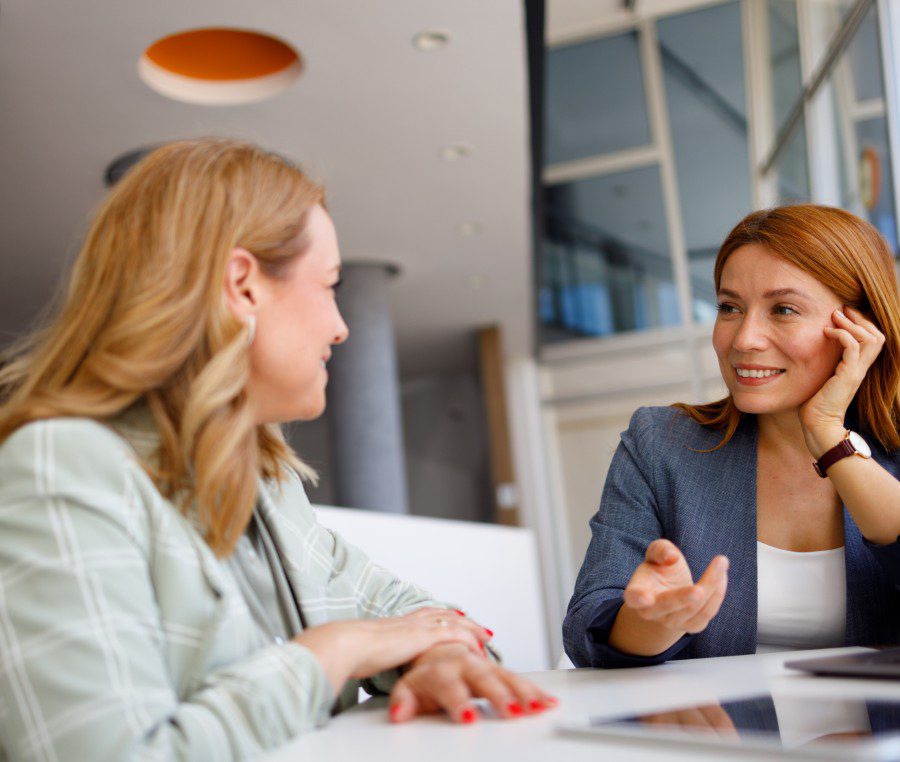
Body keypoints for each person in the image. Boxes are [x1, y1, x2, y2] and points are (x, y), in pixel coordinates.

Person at [0, 138, 555, 761]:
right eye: (329, 285)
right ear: (242, 285)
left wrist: (437, 657)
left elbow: (409, 611)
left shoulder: (266, 478)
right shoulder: (59, 468)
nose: (341, 326)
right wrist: (335, 653)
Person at [564, 204, 900, 668]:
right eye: (729, 307)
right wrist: (657, 622)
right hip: (727, 736)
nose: (744, 339)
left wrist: (827, 432)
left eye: (783, 309)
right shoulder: (661, 444)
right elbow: (589, 625)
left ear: (861, 329)